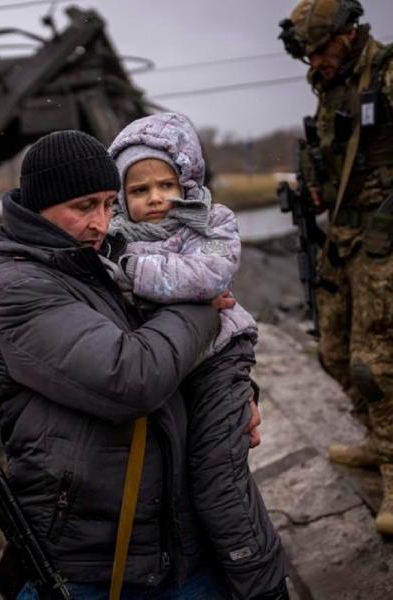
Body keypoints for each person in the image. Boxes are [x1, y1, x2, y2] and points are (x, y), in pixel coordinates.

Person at [0, 130, 242, 599]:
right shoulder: (16, 286)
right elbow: (131, 376)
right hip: (95, 556)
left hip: (162, 536)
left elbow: (170, 355)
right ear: (40, 207)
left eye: (110, 204)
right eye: (85, 206)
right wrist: (202, 304)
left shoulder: (92, 259)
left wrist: (236, 395)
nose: (101, 221)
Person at [105, 112, 287, 599]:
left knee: (217, 480)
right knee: (179, 484)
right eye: (140, 190)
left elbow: (207, 278)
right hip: (171, 366)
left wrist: (130, 272)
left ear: (186, 179)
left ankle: (263, 584)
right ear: (122, 196)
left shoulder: (213, 222)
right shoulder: (114, 236)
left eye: (167, 184)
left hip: (220, 359)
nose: (156, 198)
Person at [279, 0, 393, 534]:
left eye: (320, 50)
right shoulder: (329, 87)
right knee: (334, 350)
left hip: (384, 241)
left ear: (348, 35)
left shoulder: (387, 73)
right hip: (345, 238)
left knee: (376, 361)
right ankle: (378, 438)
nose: (313, 63)